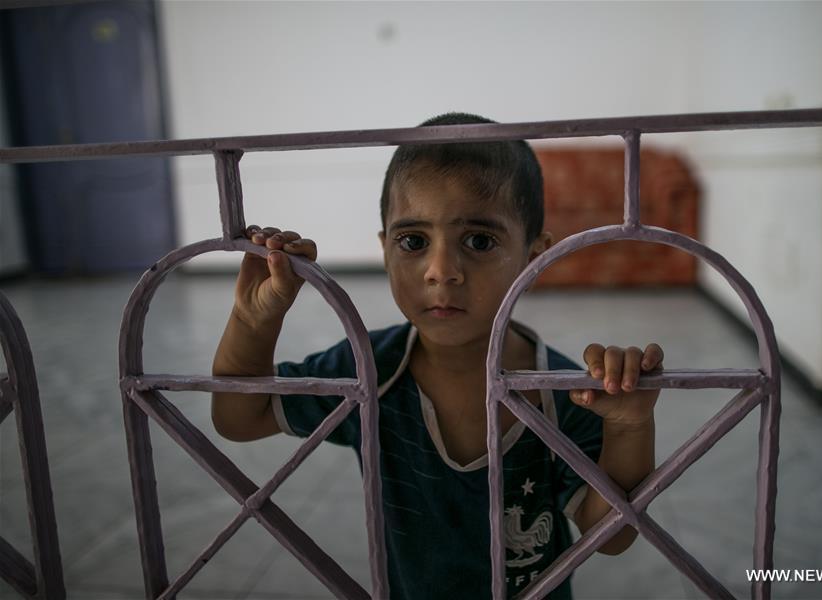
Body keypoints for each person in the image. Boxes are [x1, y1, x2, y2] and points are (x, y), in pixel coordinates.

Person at [211, 113, 663, 599]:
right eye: (413, 241)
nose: (441, 270)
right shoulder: (368, 372)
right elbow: (239, 417)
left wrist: (629, 427)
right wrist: (255, 321)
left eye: (479, 241)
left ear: (536, 257)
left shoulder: (566, 393)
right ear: (385, 250)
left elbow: (613, 535)